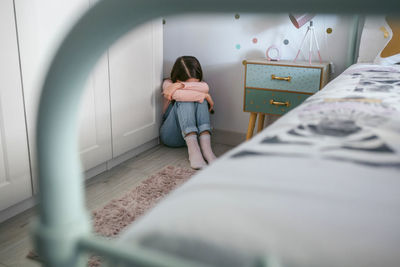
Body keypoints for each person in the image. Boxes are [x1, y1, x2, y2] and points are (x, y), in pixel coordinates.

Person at [160, 56, 217, 169]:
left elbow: (205, 87)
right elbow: (178, 95)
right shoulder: (168, 83)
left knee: (200, 100)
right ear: (176, 79)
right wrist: (204, 95)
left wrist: (182, 85)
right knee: (187, 100)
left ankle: (207, 151)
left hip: (195, 136)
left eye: (195, 84)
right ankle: (194, 153)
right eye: (183, 83)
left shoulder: (201, 84)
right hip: (171, 135)